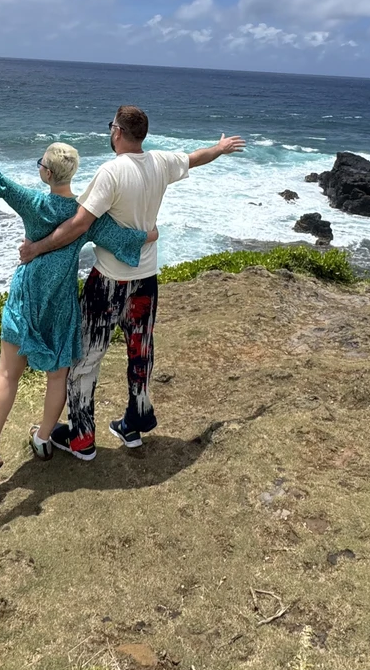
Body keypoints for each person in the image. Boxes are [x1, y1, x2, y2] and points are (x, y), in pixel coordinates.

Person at [0, 137, 155, 497]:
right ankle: (43, 438)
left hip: (28, 298)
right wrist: (151, 233)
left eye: (40, 164)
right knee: (57, 376)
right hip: (61, 303)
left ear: (46, 173)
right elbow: (123, 238)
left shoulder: (33, 203)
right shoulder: (85, 216)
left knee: (7, 375)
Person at [18, 106, 245, 460]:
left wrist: (36, 248)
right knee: (140, 354)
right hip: (146, 280)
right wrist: (219, 148)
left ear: (118, 132)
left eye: (112, 127)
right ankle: (133, 425)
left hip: (108, 283)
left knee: (85, 360)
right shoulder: (160, 162)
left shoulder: (111, 172)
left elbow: (79, 224)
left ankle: (82, 438)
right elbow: (194, 158)